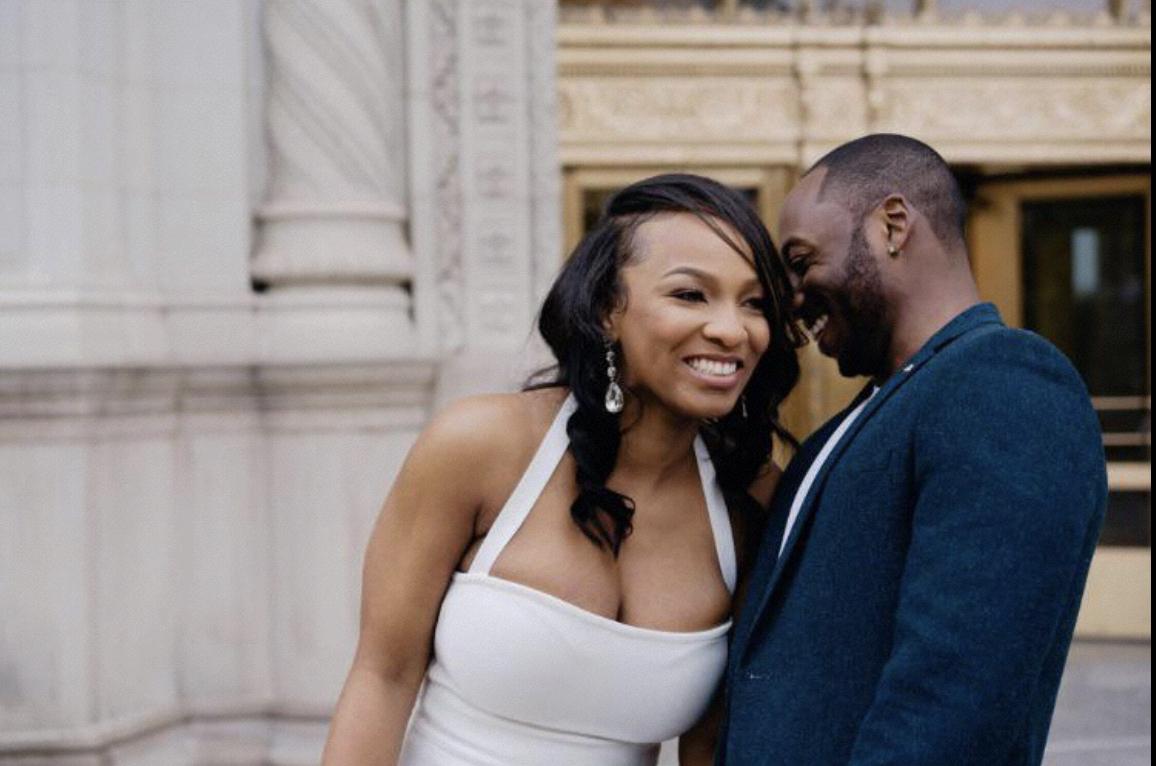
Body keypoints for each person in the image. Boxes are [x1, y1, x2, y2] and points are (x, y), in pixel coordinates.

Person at [322, 174, 802, 766]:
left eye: (754, 304)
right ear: (606, 311)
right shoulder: (481, 445)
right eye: (690, 295)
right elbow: (383, 677)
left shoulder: (747, 501)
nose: (732, 330)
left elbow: (711, 744)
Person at [718, 134, 1108, 765]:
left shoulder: (1004, 381)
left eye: (801, 260)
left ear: (893, 225)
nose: (790, 298)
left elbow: (953, 699)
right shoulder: (861, 420)